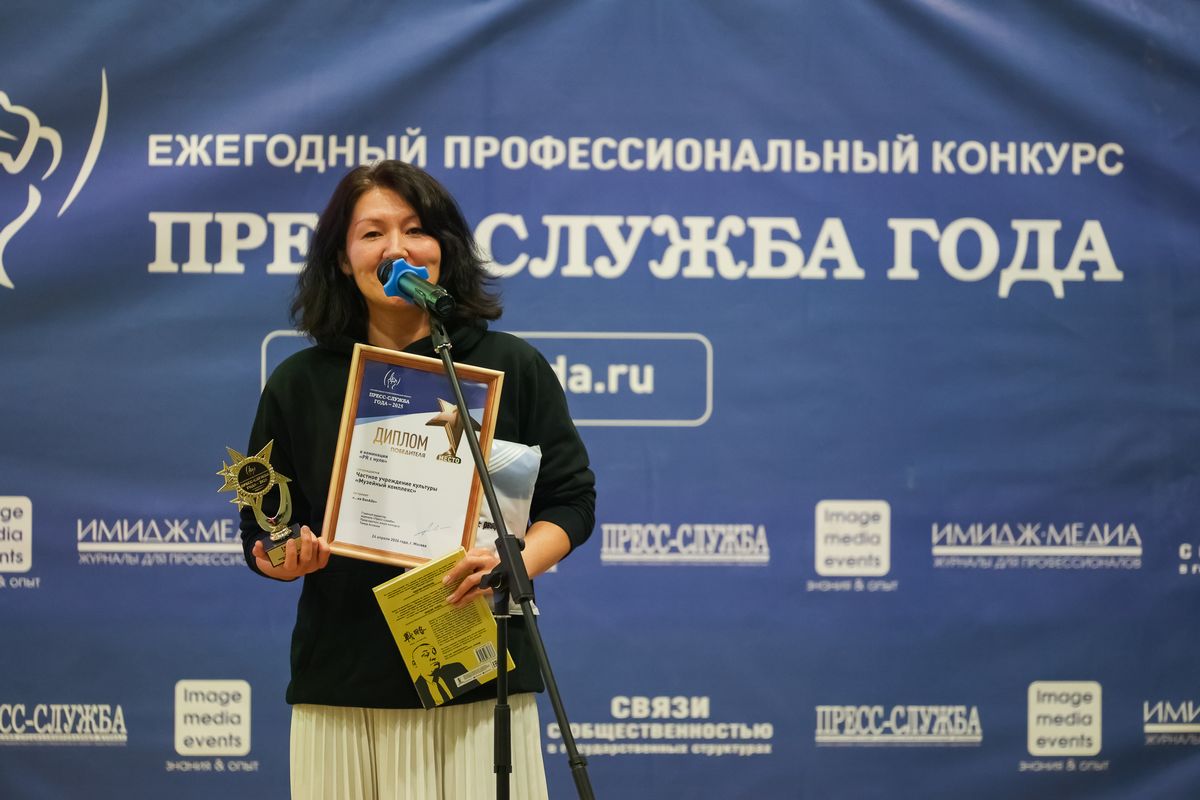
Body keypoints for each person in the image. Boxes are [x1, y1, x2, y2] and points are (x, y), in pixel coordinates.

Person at [239, 160, 596, 799]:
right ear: (343, 259)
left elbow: (571, 502)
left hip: (481, 678)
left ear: (444, 249)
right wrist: (284, 557)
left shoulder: (510, 366)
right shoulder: (298, 384)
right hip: (344, 683)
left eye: (415, 230)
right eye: (372, 233)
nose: (397, 248)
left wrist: (511, 561)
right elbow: (262, 530)